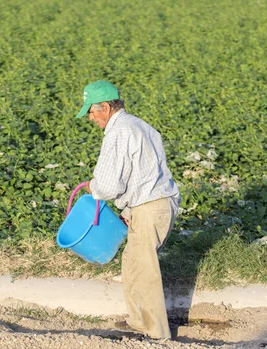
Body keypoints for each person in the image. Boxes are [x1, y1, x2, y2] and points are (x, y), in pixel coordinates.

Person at [75, 80, 180, 339]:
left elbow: (108, 186)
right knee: (132, 263)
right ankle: (138, 322)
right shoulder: (138, 125)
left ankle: (158, 335)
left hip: (149, 207)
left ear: (107, 107)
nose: (90, 117)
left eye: (91, 111)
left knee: (145, 270)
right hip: (151, 204)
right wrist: (129, 209)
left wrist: (93, 187)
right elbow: (143, 173)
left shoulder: (118, 132)